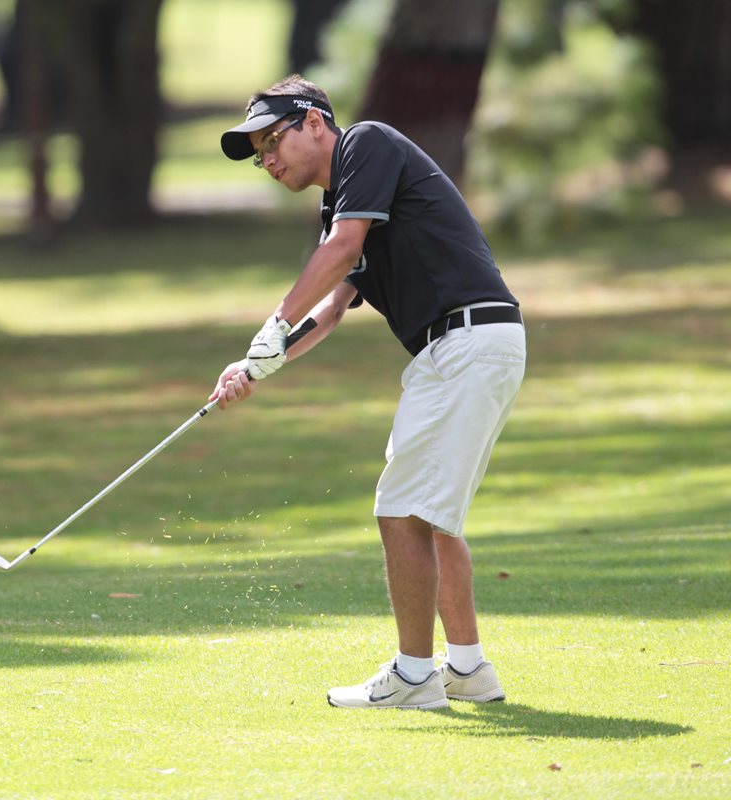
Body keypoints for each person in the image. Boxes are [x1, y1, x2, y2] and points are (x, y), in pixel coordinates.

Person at [212, 75, 525, 709]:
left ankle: (414, 677)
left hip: (465, 341)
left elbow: (342, 248)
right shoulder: (347, 202)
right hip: (468, 346)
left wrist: (273, 323)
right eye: (259, 155)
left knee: (401, 510)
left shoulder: (367, 144)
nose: (267, 160)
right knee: (431, 516)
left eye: (272, 142)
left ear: (314, 122)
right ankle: (468, 670)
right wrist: (258, 365)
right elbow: (331, 309)